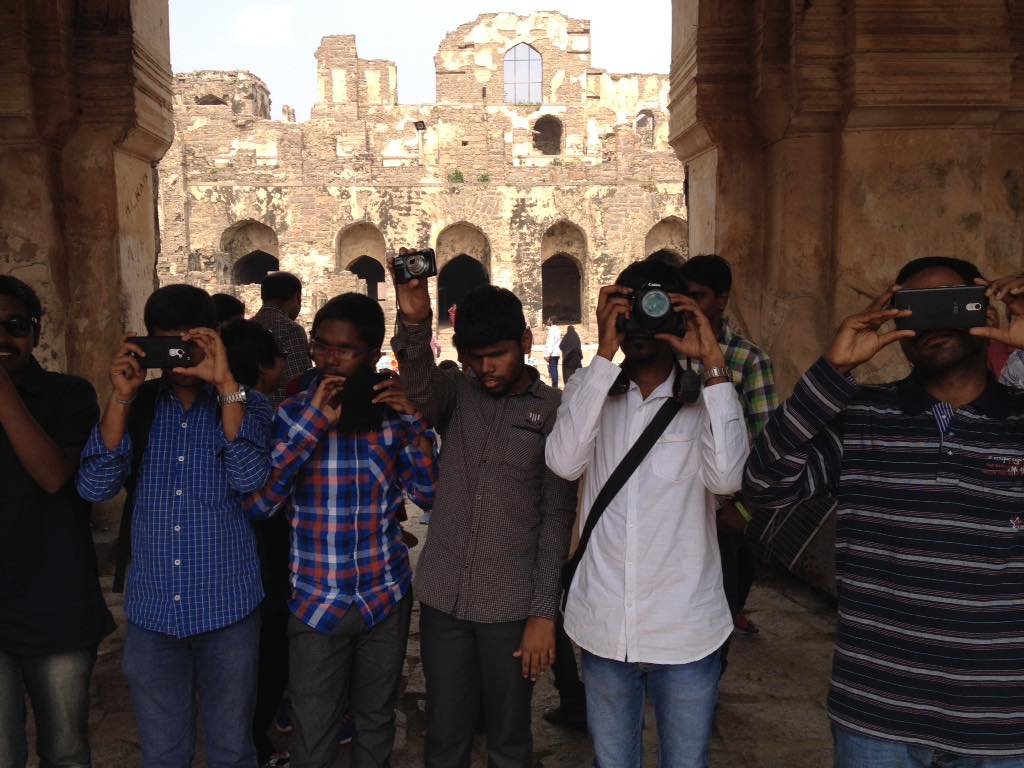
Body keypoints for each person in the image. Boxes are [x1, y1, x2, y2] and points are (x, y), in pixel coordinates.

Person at [743, 256, 1024, 765]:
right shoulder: (862, 416)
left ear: (986, 309)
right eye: (913, 308)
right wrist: (833, 371)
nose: (931, 322)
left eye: (949, 304)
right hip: (876, 715)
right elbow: (763, 483)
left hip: (1001, 723)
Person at [546, 259, 750, 768]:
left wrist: (713, 363)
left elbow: (728, 479)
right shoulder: (590, 390)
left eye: (654, 307)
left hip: (684, 627)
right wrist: (603, 353)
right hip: (603, 623)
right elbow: (564, 462)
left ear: (679, 315)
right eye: (628, 306)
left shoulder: (707, 399)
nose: (639, 321)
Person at [77, 284, 272, 768]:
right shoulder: (139, 407)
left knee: (233, 750)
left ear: (213, 338)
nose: (180, 358)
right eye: (168, 345)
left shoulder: (248, 403)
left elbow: (249, 478)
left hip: (228, 607)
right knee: (163, 754)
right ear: (148, 343)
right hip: (154, 612)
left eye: (191, 343)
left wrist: (224, 385)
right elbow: (95, 487)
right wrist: (120, 397)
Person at [390, 268, 577, 768]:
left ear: (525, 342)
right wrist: (415, 322)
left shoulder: (553, 411)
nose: (486, 369)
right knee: (444, 734)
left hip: (510, 608)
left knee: (509, 738)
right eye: (474, 358)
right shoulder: (458, 392)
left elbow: (555, 519)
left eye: (497, 355)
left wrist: (543, 614)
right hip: (443, 598)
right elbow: (420, 390)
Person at [246, 293, 436, 768]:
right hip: (316, 599)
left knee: (376, 719)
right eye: (321, 345)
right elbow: (263, 503)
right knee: (314, 727)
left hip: (383, 594)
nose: (329, 359)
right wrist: (314, 423)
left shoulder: (391, 417)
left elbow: (430, 494)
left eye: (345, 349)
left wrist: (414, 421)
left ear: (372, 354)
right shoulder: (292, 414)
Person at [0, 276, 115, 768]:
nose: (3, 337)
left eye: (14, 325)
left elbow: (52, 476)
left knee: (65, 750)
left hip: (55, 598)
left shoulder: (67, 395)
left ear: (35, 330)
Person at [679, 254, 778, 656]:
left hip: (722, 513)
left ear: (721, 300)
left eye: (698, 297)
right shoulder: (665, 352)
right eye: (682, 296)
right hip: (673, 507)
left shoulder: (749, 360)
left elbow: (768, 443)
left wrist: (744, 511)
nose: (688, 306)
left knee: (713, 618)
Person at [220, 319, 291, 768]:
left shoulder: (212, 404)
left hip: (234, 559)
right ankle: (255, 743)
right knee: (267, 655)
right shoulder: (264, 408)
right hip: (264, 553)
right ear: (266, 366)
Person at [252, 272, 313, 408]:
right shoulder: (291, 329)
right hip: (281, 410)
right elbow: (300, 380)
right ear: (297, 297)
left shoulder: (247, 326)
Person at [544, 317, 562, 388]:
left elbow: (550, 343)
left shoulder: (552, 330)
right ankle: (555, 384)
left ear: (551, 321)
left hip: (552, 353)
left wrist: (548, 354)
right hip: (557, 352)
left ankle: (554, 385)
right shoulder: (558, 329)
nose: (548, 321)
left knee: (553, 369)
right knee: (555, 368)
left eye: (549, 320)